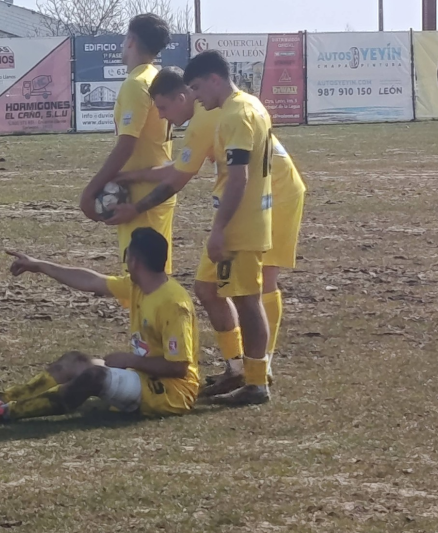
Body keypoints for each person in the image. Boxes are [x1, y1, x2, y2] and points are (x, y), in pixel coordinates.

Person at [106, 66, 307, 395]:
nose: (163, 118)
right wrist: (133, 177)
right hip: (253, 193)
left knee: (258, 285)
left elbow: (179, 177)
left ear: (185, 95)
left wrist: (136, 204)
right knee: (209, 287)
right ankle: (239, 367)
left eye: (164, 109)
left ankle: (259, 371)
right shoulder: (212, 109)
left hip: (273, 192)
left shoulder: (210, 116)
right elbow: (183, 166)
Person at [0, 228, 200, 424]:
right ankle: (0, 398)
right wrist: (39, 266)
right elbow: (91, 280)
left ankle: (4, 413)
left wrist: (130, 360)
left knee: (94, 376)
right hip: (144, 377)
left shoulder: (174, 304)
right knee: (74, 361)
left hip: (171, 393)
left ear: (134, 261)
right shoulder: (138, 286)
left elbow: (178, 367)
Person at [170, 50, 276, 405]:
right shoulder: (249, 105)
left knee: (247, 300)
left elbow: (238, 178)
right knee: (206, 287)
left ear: (215, 79)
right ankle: (236, 369)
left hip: (238, 227)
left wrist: (219, 231)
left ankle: (256, 381)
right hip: (237, 221)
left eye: (198, 87)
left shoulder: (236, 114)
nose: (196, 97)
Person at [78, 13, 175, 273]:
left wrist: (91, 190)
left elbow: (126, 145)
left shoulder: (136, 83)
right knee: (153, 274)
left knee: (144, 276)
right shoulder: (154, 77)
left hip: (140, 191)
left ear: (130, 40)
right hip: (154, 186)